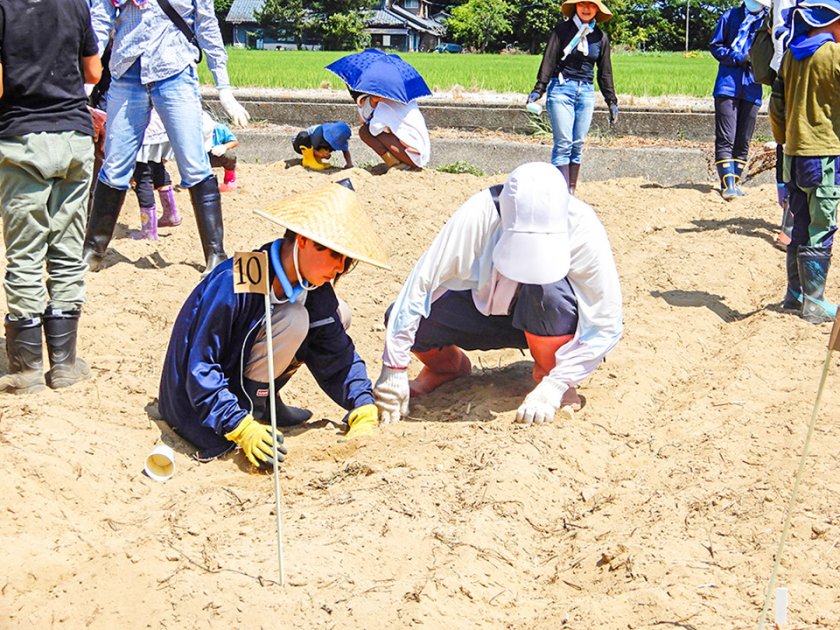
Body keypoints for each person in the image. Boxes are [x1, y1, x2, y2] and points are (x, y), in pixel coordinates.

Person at [158, 179, 389, 468]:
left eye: (347, 259)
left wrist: (362, 403)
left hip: (246, 374)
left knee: (337, 314)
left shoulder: (313, 286)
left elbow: (336, 351)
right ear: (303, 240)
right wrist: (240, 426)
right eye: (334, 254)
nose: (340, 267)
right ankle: (251, 413)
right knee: (293, 319)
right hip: (191, 402)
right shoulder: (237, 280)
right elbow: (200, 367)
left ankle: (263, 403)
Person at [373, 162, 623, 426]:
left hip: (547, 317)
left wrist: (558, 384)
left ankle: (550, 375)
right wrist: (394, 367)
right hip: (482, 308)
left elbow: (605, 324)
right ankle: (446, 368)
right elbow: (420, 285)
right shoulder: (479, 213)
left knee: (546, 293)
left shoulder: (583, 227)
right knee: (399, 317)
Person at [85, 0, 251, 275]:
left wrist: (224, 87)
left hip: (174, 71)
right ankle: (93, 249)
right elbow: (100, 21)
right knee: (114, 166)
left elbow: (207, 24)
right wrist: (87, 79)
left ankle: (215, 254)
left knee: (194, 164)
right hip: (127, 73)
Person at [0, 0, 101, 393]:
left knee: (25, 251)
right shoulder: (76, 3)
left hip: (22, 139)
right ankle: (64, 364)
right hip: (74, 138)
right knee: (67, 248)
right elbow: (93, 70)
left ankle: (26, 370)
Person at [769, 0, 840, 324]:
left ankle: (794, 295)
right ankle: (815, 302)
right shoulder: (833, 55)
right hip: (824, 154)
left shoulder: (789, 56)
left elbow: (776, 106)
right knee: (821, 225)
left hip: (793, 154)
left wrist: (784, 139)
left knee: (798, 222)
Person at [527, 0, 618, 195]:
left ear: (597, 10)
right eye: (582, 4)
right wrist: (539, 88)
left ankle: (570, 193)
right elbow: (549, 59)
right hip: (561, 89)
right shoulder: (562, 30)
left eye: (591, 5)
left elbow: (605, 72)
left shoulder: (600, 37)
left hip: (585, 93)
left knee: (577, 144)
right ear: (576, 7)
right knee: (563, 144)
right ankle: (558, 194)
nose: (586, 9)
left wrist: (611, 101)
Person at [709, 0, 770, 200]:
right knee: (727, 136)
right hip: (728, 84)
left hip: (753, 85)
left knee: (743, 139)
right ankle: (728, 185)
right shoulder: (730, 17)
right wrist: (737, 57)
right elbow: (716, 45)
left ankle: (736, 181)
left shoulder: (769, 21)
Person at [132, 108, 180, 240]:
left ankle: (148, 231)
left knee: (142, 177)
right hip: (162, 127)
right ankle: (171, 214)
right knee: (157, 166)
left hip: (144, 129)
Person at [356, 93, 430, 170]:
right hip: (423, 151)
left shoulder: (383, 106)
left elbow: (373, 129)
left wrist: (372, 106)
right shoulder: (408, 99)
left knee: (365, 132)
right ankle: (403, 162)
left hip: (413, 157)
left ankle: (397, 163)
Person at [203, 112, 240, 192]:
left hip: (215, 155)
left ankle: (230, 179)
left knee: (229, 156)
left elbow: (234, 141)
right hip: (201, 157)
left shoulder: (220, 129)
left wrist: (224, 147)